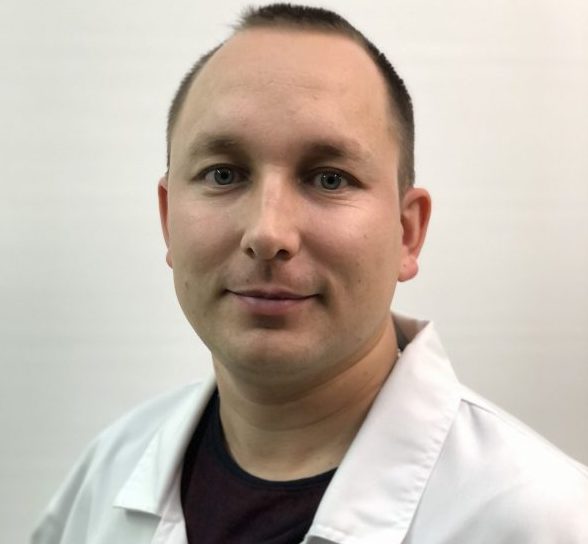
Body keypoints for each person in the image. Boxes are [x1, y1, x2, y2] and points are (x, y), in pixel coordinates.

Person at [32, 4, 588, 543]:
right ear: (168, 219)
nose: (268, 233)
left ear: (407, 232)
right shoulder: (106, 476)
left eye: (329, 179)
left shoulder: (545, 520)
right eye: (223, 174)